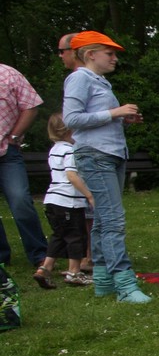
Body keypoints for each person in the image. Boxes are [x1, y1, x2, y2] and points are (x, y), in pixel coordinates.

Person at [62, 31, 151, 303]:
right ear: (90, 54)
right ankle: (125, 285)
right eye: (109, 53)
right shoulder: (79, 78)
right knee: (113, 220)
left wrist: (122, 120)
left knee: (102, 219)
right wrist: (115, 112)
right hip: (96, 155)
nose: (115, 59)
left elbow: (93, 118)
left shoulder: (99, 81)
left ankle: (102, 281)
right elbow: (71, 119)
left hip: (110, 154)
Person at [34, 113, 93, 288]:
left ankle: (45, 268)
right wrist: (89, 195)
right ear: (70, 131)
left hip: (52, 200)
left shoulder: (54, 149)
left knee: (59, 235)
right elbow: (72, 176)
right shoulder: (70, 150)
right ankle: (74, 272)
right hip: (68, 202)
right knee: (76, 236)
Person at [0, 63, 49, 271]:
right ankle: (2, 257)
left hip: (7, 152)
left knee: (20, 201)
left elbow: (31, 106)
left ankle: (39, 254)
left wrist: (14, 136)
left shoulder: (8, 74)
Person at [58, 31, 92, 272]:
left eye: (62, 51)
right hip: (86, 156)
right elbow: (73, 118)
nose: (60, 56)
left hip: (90, 153)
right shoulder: (80, 79)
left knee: (93, 217)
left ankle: (91, 259)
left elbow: (73, 119)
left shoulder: (83, 78)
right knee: (90, 218)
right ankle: (87, 260)